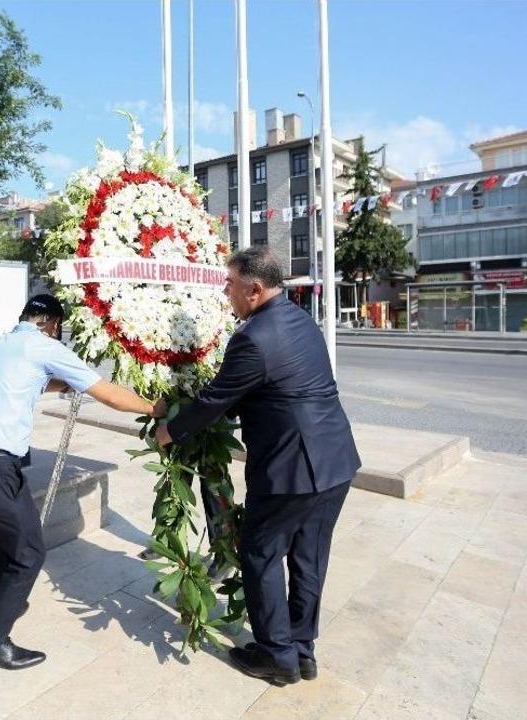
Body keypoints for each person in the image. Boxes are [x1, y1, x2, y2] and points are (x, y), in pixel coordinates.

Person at [156, 247, 361, 686]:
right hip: (336, 461)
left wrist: (170, 430)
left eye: (229, 284)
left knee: (261, 553)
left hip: (292, 469)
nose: (225, 292)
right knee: (309, 557)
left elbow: (215, 401)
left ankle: (277, 657)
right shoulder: (301, 320)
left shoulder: (253, 337)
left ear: (254, 289)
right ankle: (302, 651)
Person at [0, 294, 166, 670]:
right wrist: (153, 407)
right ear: (52, 324)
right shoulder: (44, 345)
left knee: (6, 538)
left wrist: (64, 386)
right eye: (58, 329)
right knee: (29, 552)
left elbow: (29, 380)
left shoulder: (1, 343)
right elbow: (109, 395)